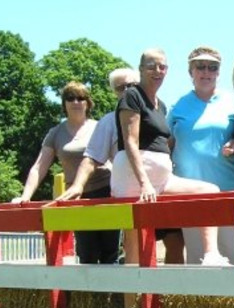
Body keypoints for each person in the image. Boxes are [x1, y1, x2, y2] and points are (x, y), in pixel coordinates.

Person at [110, 48, 228, 268]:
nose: (157, 71)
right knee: (136, 239)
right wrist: (144, 182)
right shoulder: (132, 96)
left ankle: (211, 254)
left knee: (210, 191)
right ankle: (132, 299)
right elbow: (130, 142)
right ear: (141, 69)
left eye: (162, 66)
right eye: (151, 66)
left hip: (162, 179)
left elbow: (167, 141)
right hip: (135, 177)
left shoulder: (161, 104)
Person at [59, 67, 185, 265]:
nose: (127, 90)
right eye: (121, 87)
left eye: (131, 85)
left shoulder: (158, 110)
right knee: (134, 244)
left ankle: (173, 294)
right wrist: (78, 185)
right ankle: (134, 295)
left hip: (161, 186)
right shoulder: (109, 121)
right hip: (135, 189)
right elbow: (92, 157)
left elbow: (171, 144)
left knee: (175, 239)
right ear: (114, 92)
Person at [19, 82, 119, 264]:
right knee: (87, 252)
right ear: (64, 104)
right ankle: (90, 293)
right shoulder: (56, 133)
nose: (76, 102)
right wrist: (25, 197)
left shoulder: (99, 127)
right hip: (76, 197)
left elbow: (117, 159)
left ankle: (111, 293)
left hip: (106, 192)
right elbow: (39, 167)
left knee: (109, 252)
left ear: (88, 103)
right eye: (70, 98)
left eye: (81, 98)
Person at [168, 46, 234, 264]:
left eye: (212, 67)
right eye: (200, 67)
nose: (206, 72)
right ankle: (201, 300)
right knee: (197, 256)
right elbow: (165, 143)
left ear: (219, 72)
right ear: (190, 72)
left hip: (228, 188)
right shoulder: (177, 106)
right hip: (190, 192)